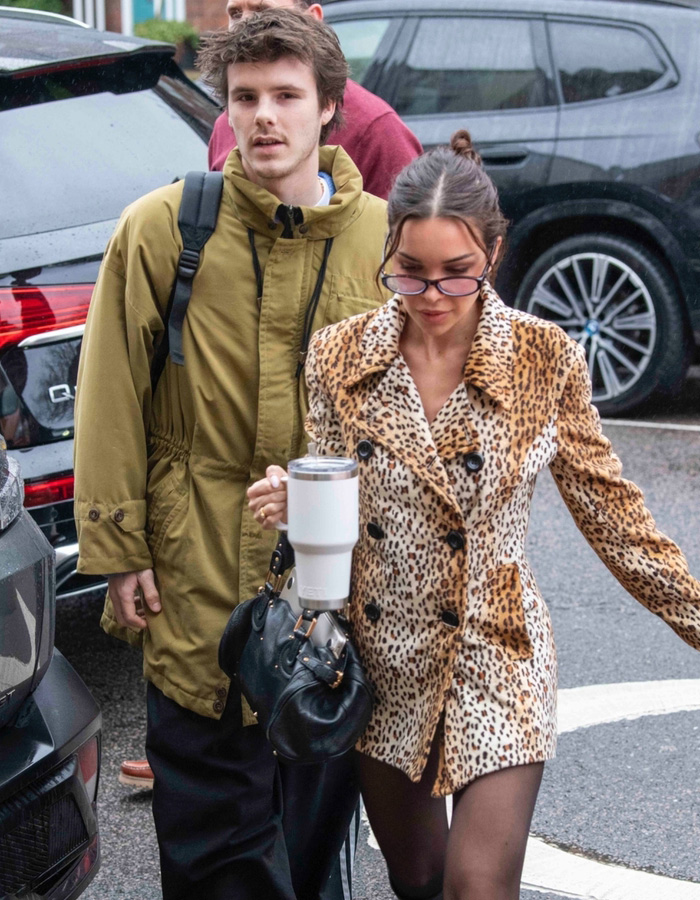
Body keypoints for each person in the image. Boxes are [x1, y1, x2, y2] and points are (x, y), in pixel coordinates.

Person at [247, 130, 700, 900]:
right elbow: (333, 502)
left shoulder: (542, 357)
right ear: (386, 253)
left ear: (494, 253)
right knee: (419, 879)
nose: (431, 297)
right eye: (410, 273)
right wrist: (300, 502)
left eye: (456, 275)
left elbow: (613, 513)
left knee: (476, 888)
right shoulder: (339, 356)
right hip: (384, 659)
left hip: (498, 651)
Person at [74, 10, 388, 899]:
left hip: (330, 598)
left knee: (312, 851)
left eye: (287, 96)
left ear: (330, 107)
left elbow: (416, 422)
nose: (264, 118)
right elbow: (109, 398)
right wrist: (119, 549)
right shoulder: (162, 229)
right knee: (215, 856)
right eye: (245, 97)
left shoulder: (378, 241)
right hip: (196, 576)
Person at [208, 0, 422, 197]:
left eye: (263, 13)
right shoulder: (224, 125)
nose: (245, 26)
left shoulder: (377, 130)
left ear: (313, 19)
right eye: (235, 14)